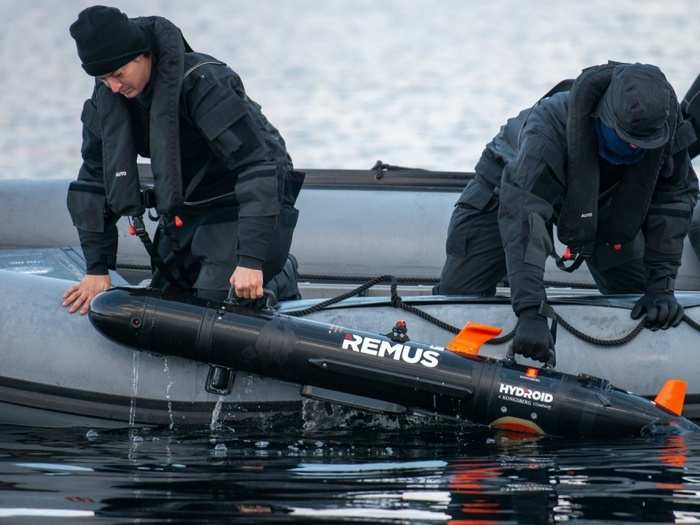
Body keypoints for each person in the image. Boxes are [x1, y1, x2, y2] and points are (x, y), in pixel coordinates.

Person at [436, 62, 698, 363]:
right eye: (628, 140)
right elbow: (524, 215)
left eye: (644, 144)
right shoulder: (549, 126)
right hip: (505, 187)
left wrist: (662, 286)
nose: (636, 149)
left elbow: (674, 200)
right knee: (458, 296)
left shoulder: (664, 126)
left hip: (604, 203)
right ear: (606, 118)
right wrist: (531, 312)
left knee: (642, 301)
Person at [63, 6, 304, 315]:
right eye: (103, 78)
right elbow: (92, 180)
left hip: (241, 202)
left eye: (118, 74)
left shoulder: (204, 84)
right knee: (166, 302)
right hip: (189, 206)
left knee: (213, 304)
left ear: (143, 55)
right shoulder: (108, 99)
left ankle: (281, 274)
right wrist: (96, 268)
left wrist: (251, 261)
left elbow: (257, 167)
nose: (113, 86)